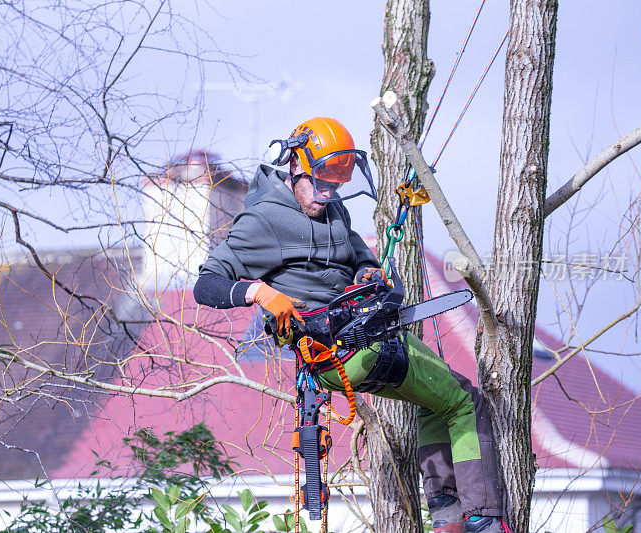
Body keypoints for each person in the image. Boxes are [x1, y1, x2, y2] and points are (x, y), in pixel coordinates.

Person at [193, 117, 506, 533]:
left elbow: (359, 256)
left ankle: (447, 518)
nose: (327, 194)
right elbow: (206, 283)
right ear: (294, 166)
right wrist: (257, 293)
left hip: (365, 340)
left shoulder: (334, 210)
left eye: (335, 185)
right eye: (320, 183)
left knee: (437, 402)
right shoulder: (263, 220)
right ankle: (484, 518)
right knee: (466, 402)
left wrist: (366, 275)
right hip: (338, 350)